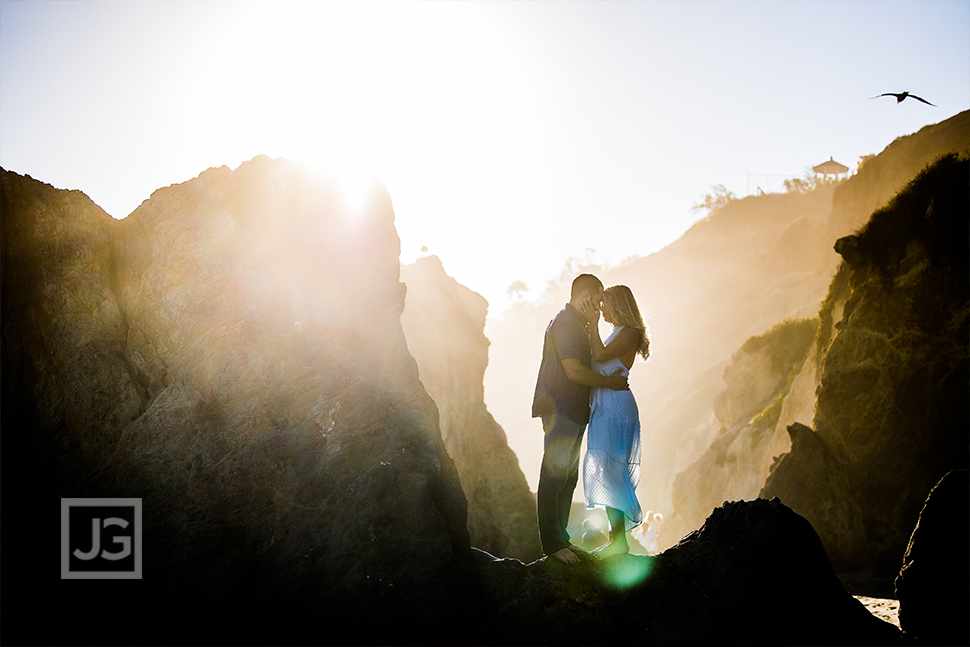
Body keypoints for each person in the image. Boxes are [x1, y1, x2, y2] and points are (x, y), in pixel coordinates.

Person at [532, 274, 628, 565]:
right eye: (598, 299)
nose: (600, 306)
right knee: (553, 476)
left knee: (567, 477)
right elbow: (573, 371)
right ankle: (552, 544)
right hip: (561, 408)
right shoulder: (566, 324)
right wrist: (608, 383)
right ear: (585, 296)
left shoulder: (578, 324)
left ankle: (562, 540)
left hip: (573, 409)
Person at [582, 284, 650, 558]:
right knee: (606, 469)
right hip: (605, 405)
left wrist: (592, 324)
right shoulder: (617, 332)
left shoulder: (629, 333)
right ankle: (616, 540)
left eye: (605, 303)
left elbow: (598, 355)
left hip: (616, 407)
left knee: (612, 470)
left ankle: (618, 541)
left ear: (619, 304)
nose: (601, 308)